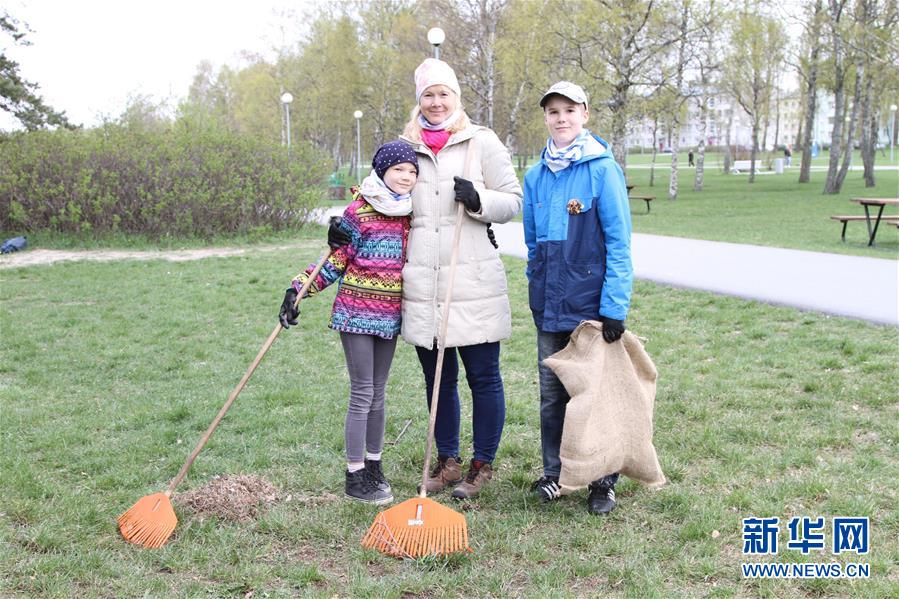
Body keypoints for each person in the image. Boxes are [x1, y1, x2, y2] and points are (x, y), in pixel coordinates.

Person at [399, 58, 522, 500]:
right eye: (427, 95)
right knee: (438, 381)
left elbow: (513, 200)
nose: (435, 102)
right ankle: (447, 460)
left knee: (483, 377)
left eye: (443, 93)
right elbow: (383, 196)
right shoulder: (405, 148)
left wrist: (478, 200)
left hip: (473, 284)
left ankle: (481, 463)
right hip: (424, 285)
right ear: (419, 100)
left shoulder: (480, 142)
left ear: (456, 97)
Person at [279, 141, 418, 505]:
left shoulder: (410, 214)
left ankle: (374, 465)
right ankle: (354, 473)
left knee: (379, 392)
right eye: (399, 169)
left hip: (389, 315)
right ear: (381, 171)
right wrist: (297, 290)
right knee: (363, 392)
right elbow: (334, 261)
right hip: (356, 312)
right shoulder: (359, 211)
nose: (406, 176)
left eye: (412, 171)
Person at [522, 81, 633, 515]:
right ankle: (557, 473)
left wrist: (614, 306)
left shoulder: (602, 170)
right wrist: (537, 286)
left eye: (570, 109)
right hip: (549, 306)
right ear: (546, 118)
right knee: (553, 394)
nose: (561, 117)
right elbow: (534, 244)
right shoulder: (535, 177)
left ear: (585, 114)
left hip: (590, 309)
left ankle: (602, 481)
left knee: (594, 395)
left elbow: (619, 244)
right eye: (553, 111)